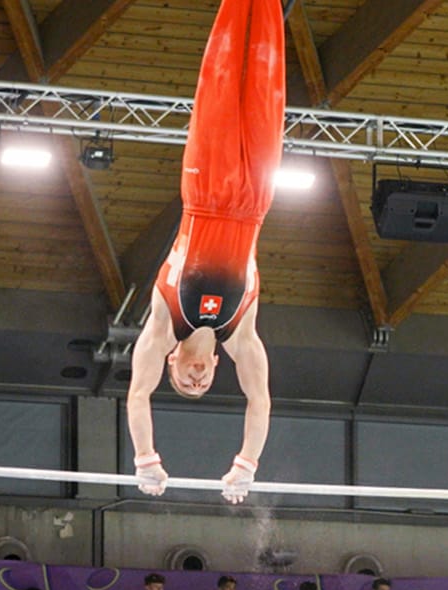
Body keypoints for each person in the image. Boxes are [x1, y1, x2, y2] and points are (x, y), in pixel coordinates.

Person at [124, 0, 284, 501]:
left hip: (208, 193)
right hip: (256, 199)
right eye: (203, 384)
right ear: (216, 370)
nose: (196, 377)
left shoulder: (162, 324)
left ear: (171, 362)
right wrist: (246, 465)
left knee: (221, 76)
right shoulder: (242, 334)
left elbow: (137, 394)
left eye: (186, 381)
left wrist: (146, 460)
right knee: (265, 79)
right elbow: (258, 400)